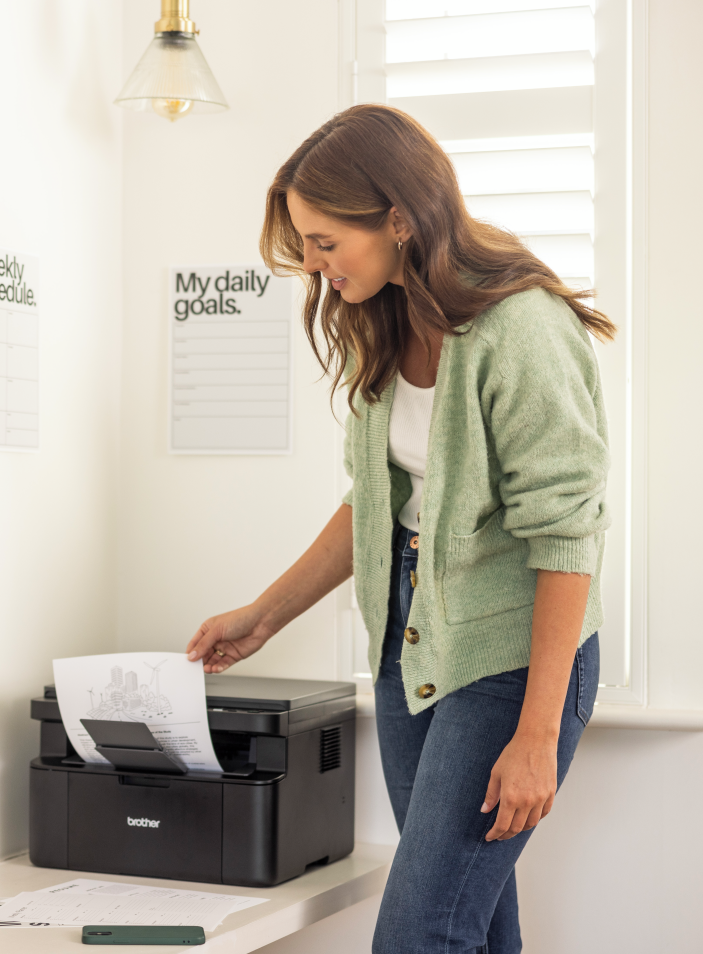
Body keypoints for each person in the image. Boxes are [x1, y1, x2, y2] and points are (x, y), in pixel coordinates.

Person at [186, 104, 613, 954]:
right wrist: (262, 617)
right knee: (473, 925)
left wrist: (537, 734)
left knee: (419, 935)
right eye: (303, 243)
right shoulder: (383, 319)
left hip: (510, 654)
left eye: (325, 242)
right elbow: (372, 506)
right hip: (408, 645)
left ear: (399, 218)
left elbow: (567, 535)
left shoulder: (520, 329)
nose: (312, 266)